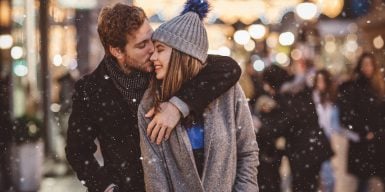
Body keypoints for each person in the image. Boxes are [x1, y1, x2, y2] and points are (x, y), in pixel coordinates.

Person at [65, 3, 242, 192]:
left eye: (151, 38)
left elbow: (228, 68)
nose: (152, 50)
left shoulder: (163, 68)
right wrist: (107, 187)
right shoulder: (91, 90)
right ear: (117, 51)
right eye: (142, 45)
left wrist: (177, 106)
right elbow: (77, 151)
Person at [138, 1, 259, 191]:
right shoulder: (150, 104)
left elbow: (247, 152)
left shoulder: (228, 93)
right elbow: (155, 174)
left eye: (160, 50)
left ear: (182, 53)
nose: (153, 57)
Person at [262, 64, 333, 192]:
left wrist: (263, 126)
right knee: (309, 185)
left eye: (267, 84)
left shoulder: (289, 96)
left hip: (304, 151)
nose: (267, 88)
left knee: (302, 186)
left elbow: (282, 124)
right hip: (313, 147)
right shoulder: (300, 90)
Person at [337, 52, 385, 192]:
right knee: (363, 182)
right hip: (362, 143)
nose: (367, 68)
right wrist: (363, 132)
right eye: (364, 64)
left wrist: (378, 131)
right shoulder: (352, 89)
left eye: (370, 64)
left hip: (379, 141)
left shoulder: (379, 88)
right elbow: (346, 116)